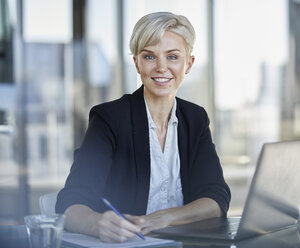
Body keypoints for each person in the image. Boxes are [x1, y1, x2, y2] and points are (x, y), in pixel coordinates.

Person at [56, 11, 231, 243]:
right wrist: (97, 224)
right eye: (149, 57)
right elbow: (70, 200)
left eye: (172, 57)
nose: (161, 67)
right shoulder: (109, 118)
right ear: (137, 63)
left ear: (188, 64)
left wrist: (164, 217)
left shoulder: (195, 118)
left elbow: (215, 197)